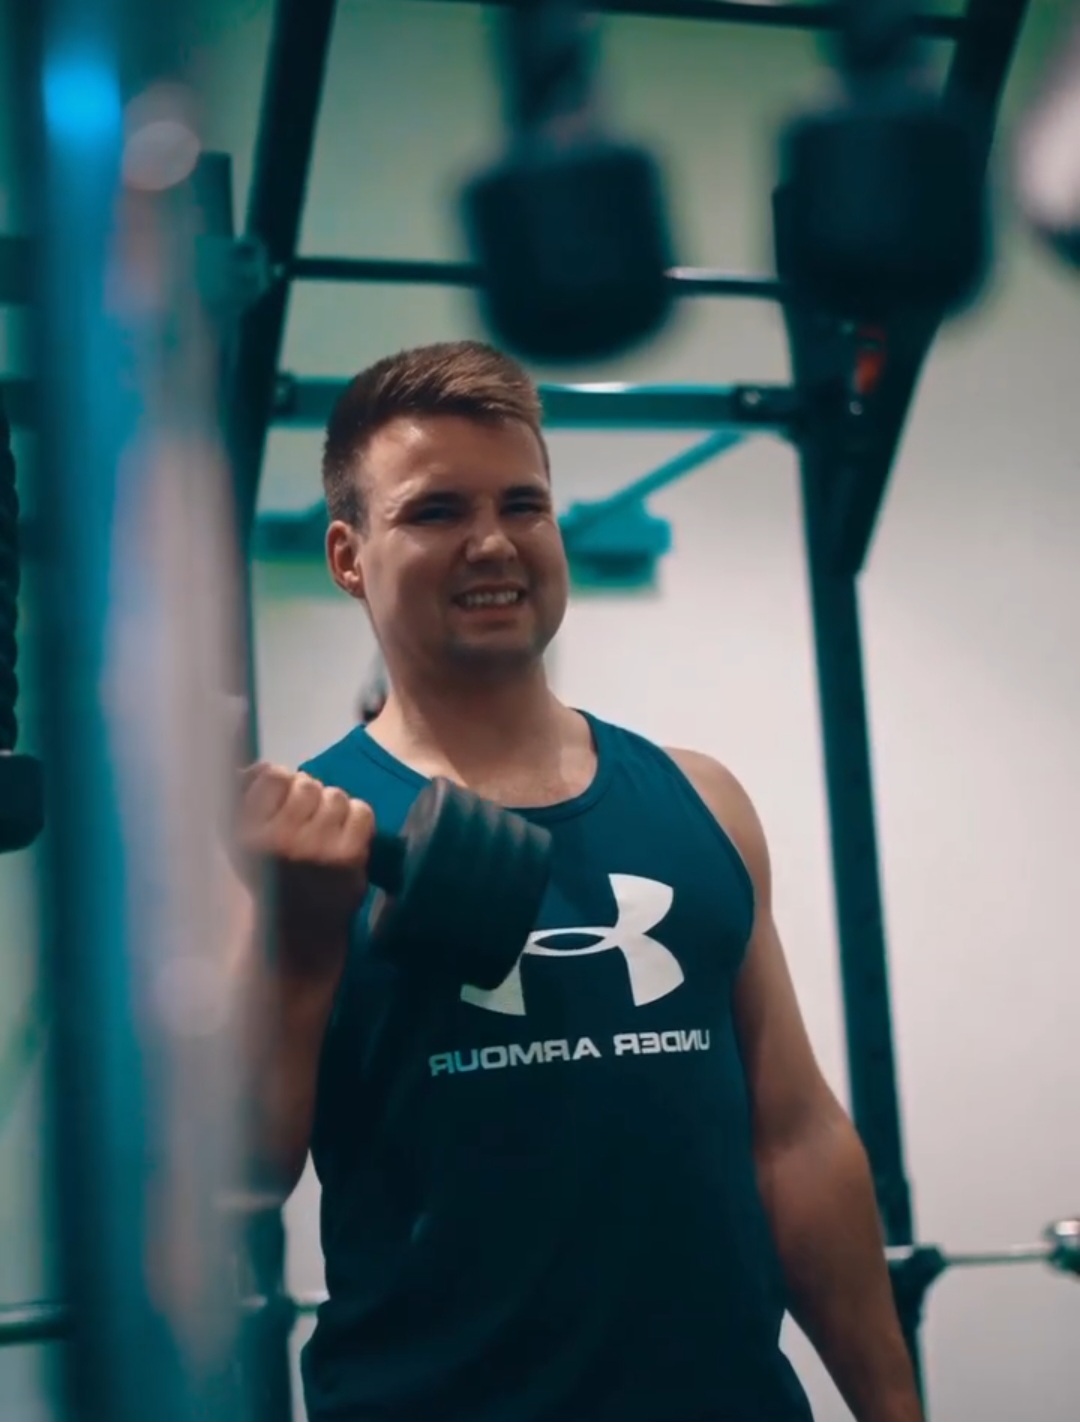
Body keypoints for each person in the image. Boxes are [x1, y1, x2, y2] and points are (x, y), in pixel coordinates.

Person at [236, 340, 923, 1422]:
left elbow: (795, 1139)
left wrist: (894, 1410)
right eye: (435, 511)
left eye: (524, 504)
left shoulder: (702, 800)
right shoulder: (299, 843)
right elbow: (223, 1194)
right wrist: (303, 952)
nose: (493, 542)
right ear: (348, 556)